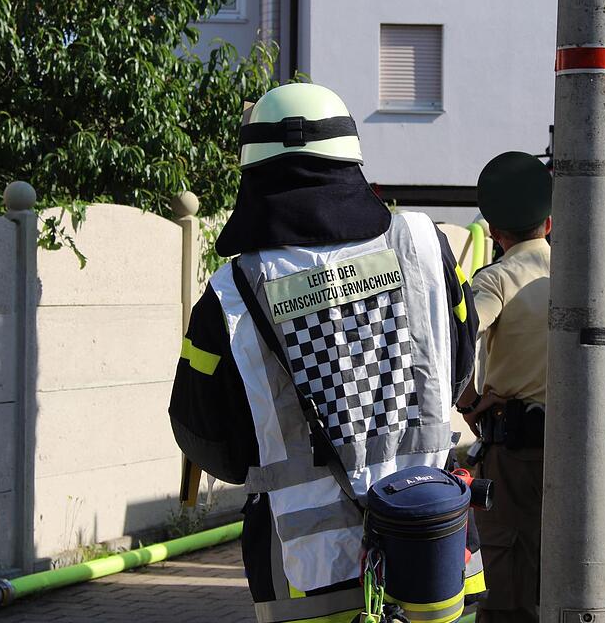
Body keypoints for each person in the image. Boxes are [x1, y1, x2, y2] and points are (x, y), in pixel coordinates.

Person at [168, 83, 483, 623]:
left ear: (254, 170)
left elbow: (203, 434)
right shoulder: (424, 247)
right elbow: (460, 363)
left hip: (303, 563)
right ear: (351, 159)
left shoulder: (232, 292)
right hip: (434, 542)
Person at [456, 151, 551, 623]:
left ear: (494, 231)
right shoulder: (579, 276)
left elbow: (453, 341)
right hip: (571, 455)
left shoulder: (497, 279)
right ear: (549, 223)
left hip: (512, 458)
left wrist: (468, 400)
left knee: (505, 592)